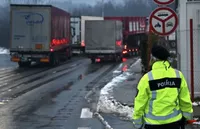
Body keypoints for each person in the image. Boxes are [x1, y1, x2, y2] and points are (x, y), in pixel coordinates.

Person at [132, 45, 193, 129]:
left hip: (152, 124)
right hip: (175, 123)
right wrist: (187, 118)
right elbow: (185, 100)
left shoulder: (147, 78)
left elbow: (140, 103)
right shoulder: (178, 75)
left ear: (153, 58)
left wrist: (138, 123)